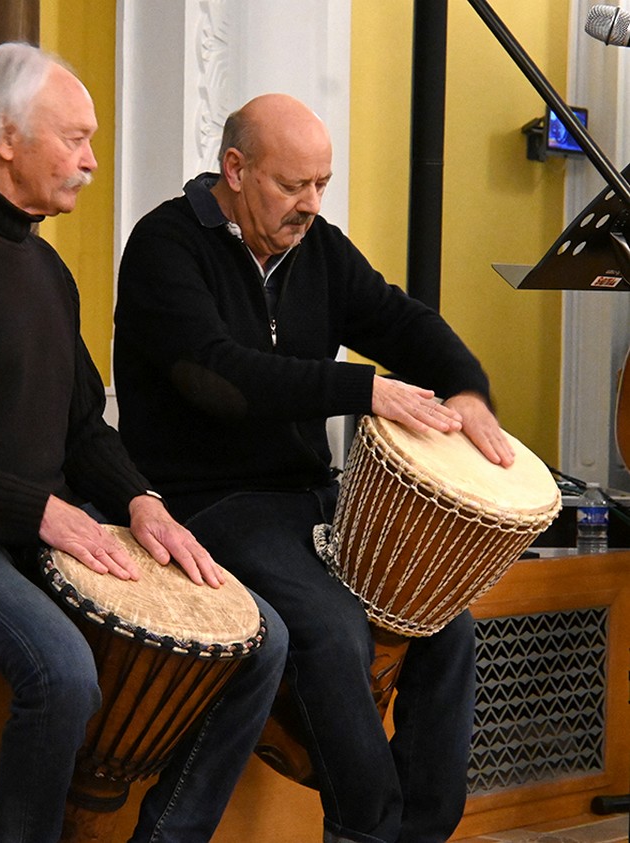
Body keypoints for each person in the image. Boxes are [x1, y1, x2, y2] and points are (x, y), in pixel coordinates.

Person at [0, 44, 287, 843]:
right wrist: (42, 512)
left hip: (30, 527)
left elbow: (83, 424)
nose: (91, 162)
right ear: (4, 136)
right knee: (62, 672)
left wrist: (141, 501)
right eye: (75, 139)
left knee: (261, 639)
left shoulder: (47, 268)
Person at [113, 93, 516, 843]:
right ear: (236, 169)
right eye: (293, 184)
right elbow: (219, 378)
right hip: (208, 501)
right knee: (332, 630)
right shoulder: (165, 245)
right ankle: (366, 829)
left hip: (312, 496)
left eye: (322, 184)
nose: (311, 204)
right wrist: (364, 389)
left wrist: (465, 387)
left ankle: (423, 831)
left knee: (445, 623)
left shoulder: (318, 249)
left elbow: (398, 319)